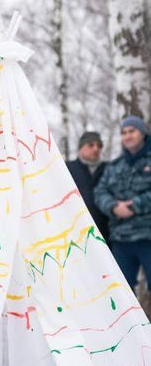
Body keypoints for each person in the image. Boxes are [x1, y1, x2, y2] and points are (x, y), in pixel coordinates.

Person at [95, 116, 151, 290]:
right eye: (123, 133)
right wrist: (113, 207)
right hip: (121, 240)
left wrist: (135, 205)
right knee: (122, 294)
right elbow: (99, 192)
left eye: (131, 131)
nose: (127, 136)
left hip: (148, 236)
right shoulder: (115, 166)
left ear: (142, 133)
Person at [66, 131, 109, 241]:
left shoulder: (109, 169)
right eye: (90, 145)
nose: (96, 149)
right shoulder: (67, 169)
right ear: (80, 147)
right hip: (75, 234)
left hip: (105, 234)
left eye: (99, 146)